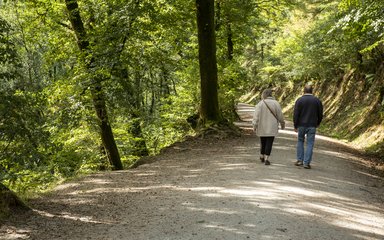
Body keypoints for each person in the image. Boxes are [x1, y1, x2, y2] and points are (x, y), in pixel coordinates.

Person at [293, 84, 323, 169]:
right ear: (312, 91)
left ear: (304, 91)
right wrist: (318, 123)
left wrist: (295, 125)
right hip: (312, 125)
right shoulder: (317, 101)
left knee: (300, 141)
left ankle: (299, 160)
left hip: (301, 125)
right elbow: (320, 114)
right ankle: (306, 163)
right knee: (310, 143)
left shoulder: (299, 100)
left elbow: (296, 114)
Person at [252, 89, 285, 165]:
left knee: (262, 141)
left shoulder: (260, 103)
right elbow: (280, 115)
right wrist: (282, 123)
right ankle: (267, 158)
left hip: (262, 126)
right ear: (271, 95)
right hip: (272, 126)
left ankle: (261, 155)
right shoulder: (276, 103)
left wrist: (254, 125)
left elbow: (256, 116)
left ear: (264, 94)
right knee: (269, 142)